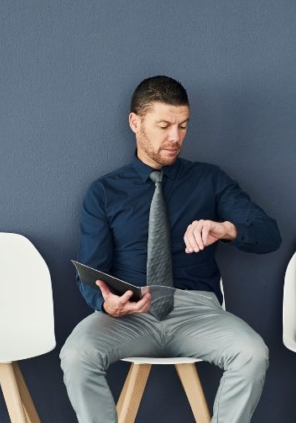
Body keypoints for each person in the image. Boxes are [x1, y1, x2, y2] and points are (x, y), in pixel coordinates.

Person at [60, 75, 282, 423]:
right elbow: (90, 270)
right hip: (130, 312)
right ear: (135, 122)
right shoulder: (104, 192)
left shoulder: (210, 180)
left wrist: (225, 229)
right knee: (76, 354)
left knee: (251, 353)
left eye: (183, 125)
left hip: (199, 311)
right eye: (163, 125)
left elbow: (269, 235)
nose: (175, 137)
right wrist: (106, 303)